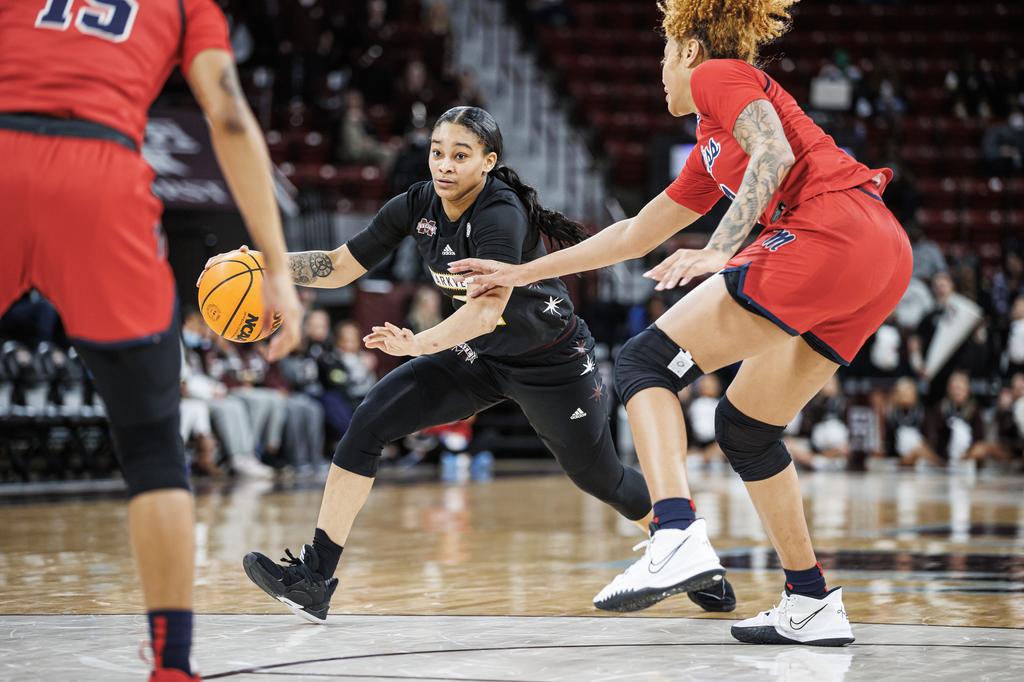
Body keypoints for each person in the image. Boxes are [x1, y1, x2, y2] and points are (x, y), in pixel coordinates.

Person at [451, 0, 912, 647]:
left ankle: (674, 530)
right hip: (880, 252)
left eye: (662, 54)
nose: (659, 71)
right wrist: (519, 273)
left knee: (643, 362)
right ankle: (809, 600)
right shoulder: (708, 144)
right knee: (746, 429)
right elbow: (636, 234)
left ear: (688, 49)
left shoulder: (716, 75)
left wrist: (724, 245)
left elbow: (773, 152)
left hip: (828, 228)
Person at [209, 106, 735, 623]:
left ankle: (690, 550)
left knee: (603, 480)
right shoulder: (417, 204)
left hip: (550, 362)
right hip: (479, 357)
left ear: (487, 161)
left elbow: (485, 313)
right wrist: (263, 264)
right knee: (368, 422)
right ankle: (315, 577)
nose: (444, 165)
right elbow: (343, 266)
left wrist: (418, 344)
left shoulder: (498, 213)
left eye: (460, 155)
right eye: (438, 152)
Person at [0, 2, 302, 679]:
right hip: (96, 175)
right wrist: (279, 269)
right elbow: (226, 113)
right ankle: (171, 664)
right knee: (151, 448)